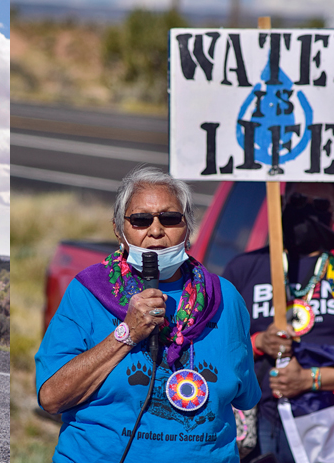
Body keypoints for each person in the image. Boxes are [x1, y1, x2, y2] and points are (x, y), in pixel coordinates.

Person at [35, 167, 260, 462]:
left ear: (188, 227)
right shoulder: (89, 292)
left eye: (170, 219)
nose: (156, 231)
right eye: (141, 220)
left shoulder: (224, 298)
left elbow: (245, 395)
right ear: (119, 228)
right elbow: (51, 397)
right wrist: (126, 334)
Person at [222, 182, 334, 463]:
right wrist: (258, 342)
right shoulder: (244, 268)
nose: (307, 211)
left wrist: (310, 379)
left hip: (333, 428)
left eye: (320, 205)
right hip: (259, 423)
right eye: (298, 201)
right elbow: (216, 348)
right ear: (281, 203)